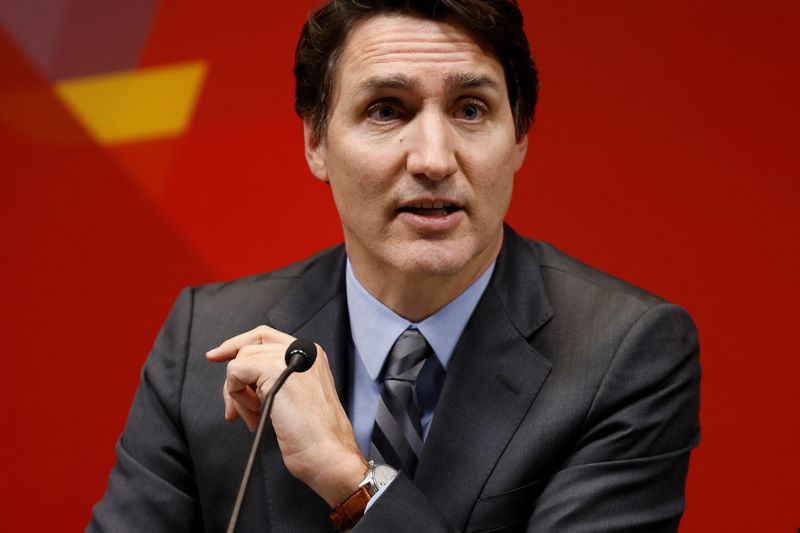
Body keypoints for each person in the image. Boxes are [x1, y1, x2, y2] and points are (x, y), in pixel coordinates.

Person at [89, 1, 701, 531]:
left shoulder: (624, 353)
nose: (434, 159)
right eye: (386, 109)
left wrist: (350, 479)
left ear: (519, 139)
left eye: (470, 109)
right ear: (316, 143)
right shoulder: (206, 337)